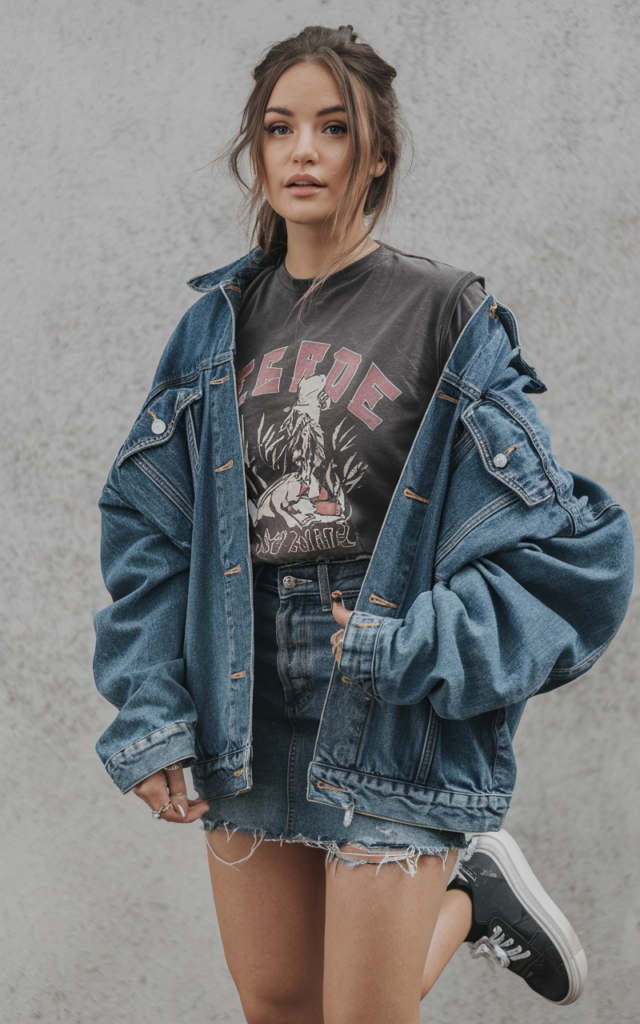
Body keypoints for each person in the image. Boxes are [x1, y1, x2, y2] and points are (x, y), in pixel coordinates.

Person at [93, 24, 634, 1024]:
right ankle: (474, 899)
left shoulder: (443, 314)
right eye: (280, 127)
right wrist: (150, 710)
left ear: (374, 150)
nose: (303, 150)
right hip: (242, 699)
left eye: (332, 128)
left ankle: (465, 890)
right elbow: (150, 533)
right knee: (281, 1006)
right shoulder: (215, 325)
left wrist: (417, 642)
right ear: (255, 151)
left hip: (390, 700)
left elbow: (574, 547)